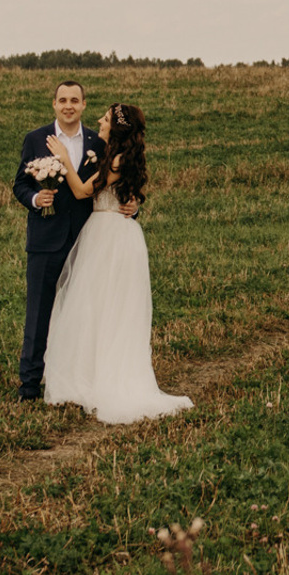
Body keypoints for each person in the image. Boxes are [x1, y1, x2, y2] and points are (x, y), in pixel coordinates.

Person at [39, 102, 191, 424]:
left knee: (109, 307)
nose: (99, 120)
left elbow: (82, 192)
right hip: (104, 232)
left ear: (117, 128)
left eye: (106, 118)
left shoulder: (118, 160)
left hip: (111, 237)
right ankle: (91, 372)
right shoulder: (113, 154)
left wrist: (63, 159)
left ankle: (107, 379)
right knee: (97, 306)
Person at [11, 80, 103, 401]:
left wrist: (131, 208)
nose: (68, 106)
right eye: (62, 100)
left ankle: (75, 381)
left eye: (74, 100)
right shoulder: (36, 139)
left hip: (85, 239)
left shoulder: (97, 142)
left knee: (82, 313)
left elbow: (107, 186)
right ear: (54, 104)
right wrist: (36, 199)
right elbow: (20, 185)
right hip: (45, 240)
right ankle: (29, 384)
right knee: (38, 314)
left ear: (84, 105)